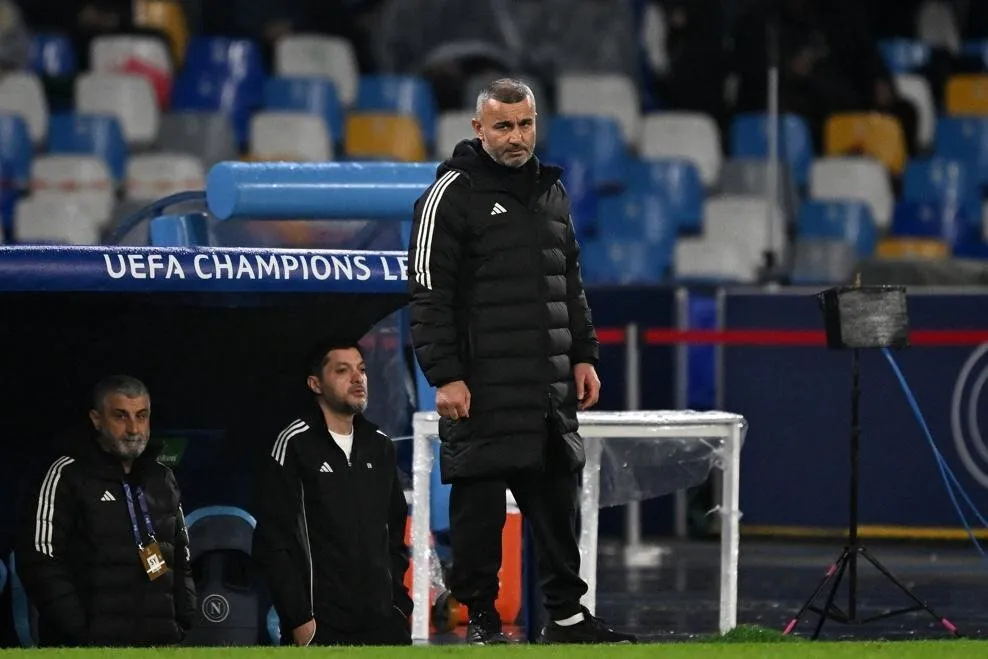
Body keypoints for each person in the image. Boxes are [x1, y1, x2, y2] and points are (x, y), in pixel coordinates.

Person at [407, 78, 637, 645]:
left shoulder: (551, 191)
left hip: (546, 389)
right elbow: (428, 292)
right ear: (478, 128)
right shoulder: (449, 194)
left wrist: (583, 355)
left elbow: (570, 281)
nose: (516, 136)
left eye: (525, 124)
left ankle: (567, 618)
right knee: (479, 514)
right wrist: (446, 375)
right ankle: (481, 620)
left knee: (558, 511)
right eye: (504, 126)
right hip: (482, 389)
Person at [252, 340, 413, 646]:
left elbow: (394, 535)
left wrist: (398, 607)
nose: (357, 378)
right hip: (321, 627)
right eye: (342, 370)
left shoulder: (380, 446)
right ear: (316, 384)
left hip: (383, 624)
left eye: (361, 369)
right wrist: (300, 620)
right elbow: (274, 541)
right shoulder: (295, 444)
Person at [15, 375, 196, 647]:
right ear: (96, 419)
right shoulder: (67, 475)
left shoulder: (162, 478)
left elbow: (181, 554)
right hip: (86, 647)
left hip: (158, 644)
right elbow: (38, 558)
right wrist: (81, 631)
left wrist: (182, 620)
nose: (133, 428)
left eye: (141, 416)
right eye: (120, 416)